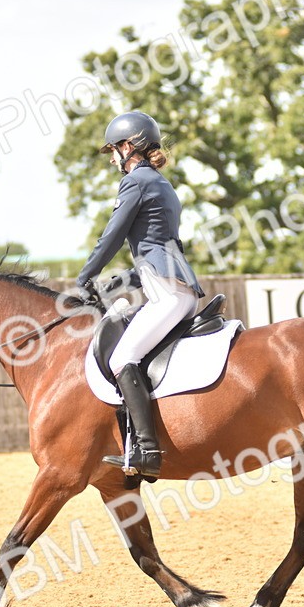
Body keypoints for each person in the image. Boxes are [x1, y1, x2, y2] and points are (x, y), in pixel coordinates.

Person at [76, 111, 205, 479]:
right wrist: (115, 284)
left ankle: (147, 450)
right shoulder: (162, 184)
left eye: (113, 151)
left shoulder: (135, 182)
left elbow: (111, 237)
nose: (112, 160)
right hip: (174, 288)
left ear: (128, 146)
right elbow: (156, 252)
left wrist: (85, 277)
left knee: (122, 358)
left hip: (167, 293)